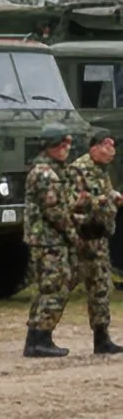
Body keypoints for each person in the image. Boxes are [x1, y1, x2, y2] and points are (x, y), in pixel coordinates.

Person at [24, 127, 80, 357]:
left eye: (68, 144)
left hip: (49, 239)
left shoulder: (52, 171)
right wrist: (74, 236)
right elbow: (56, 212)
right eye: (61, 144)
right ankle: (39, 340)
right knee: (54, 287)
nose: (66, 149)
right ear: (50, 146)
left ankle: (38, 338)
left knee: (48, 287)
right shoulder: (45, 174)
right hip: (48, 240)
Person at [71, 129, 119, 356]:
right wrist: (105, 200)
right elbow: (74, 201)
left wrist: (113, 197)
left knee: (100, 287)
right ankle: (40, 334)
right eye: (108, 147)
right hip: (82, 237)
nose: (112, 152)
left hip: (98, 237)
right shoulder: (78, 169)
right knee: (61, 285)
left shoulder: (101, 171)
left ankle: (102, 338)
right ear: (95, 147)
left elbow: (104, 194)